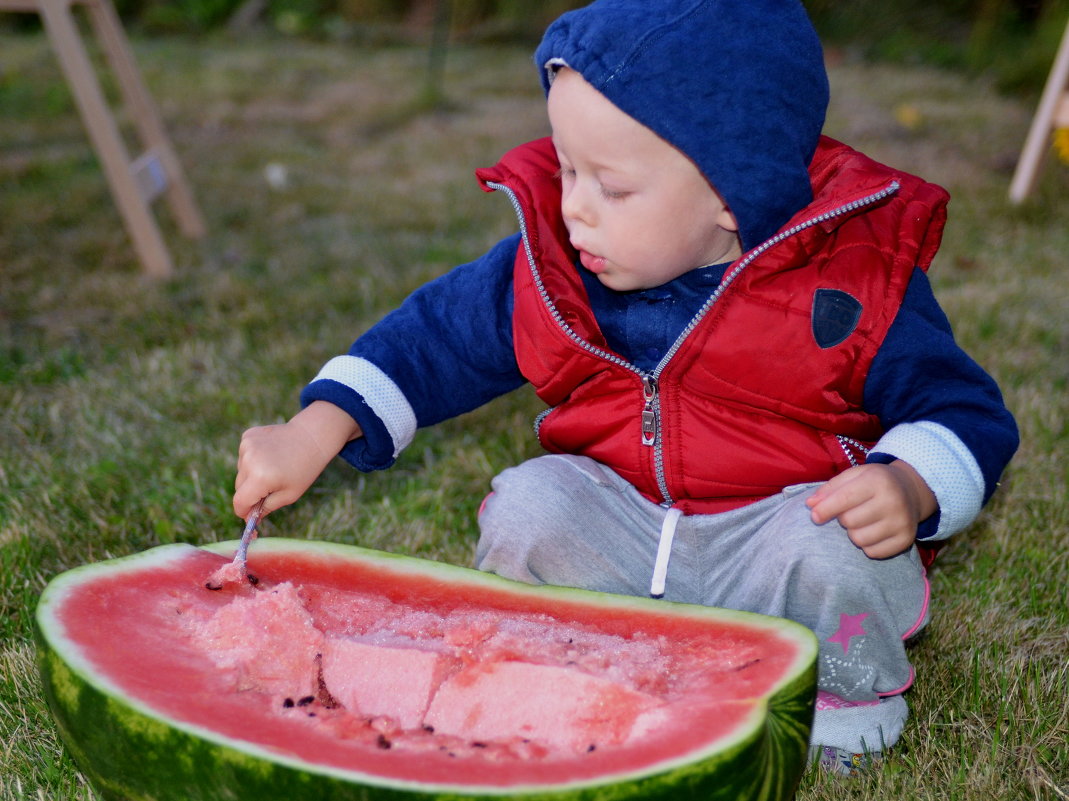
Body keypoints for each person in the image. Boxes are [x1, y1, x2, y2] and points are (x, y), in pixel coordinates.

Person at [232, 0, 1019, 776]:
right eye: (567, 167)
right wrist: (319, 426)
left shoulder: (854, 288)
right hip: (623, 528)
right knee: (530, 503)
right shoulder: (557, 268)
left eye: (609, 186)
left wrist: (908, 484)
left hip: (777, 535)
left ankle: (847, 708)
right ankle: (543, 669)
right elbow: (435, 337)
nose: (572, 207)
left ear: (728, 195)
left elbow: (964, 411)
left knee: (838, 546)